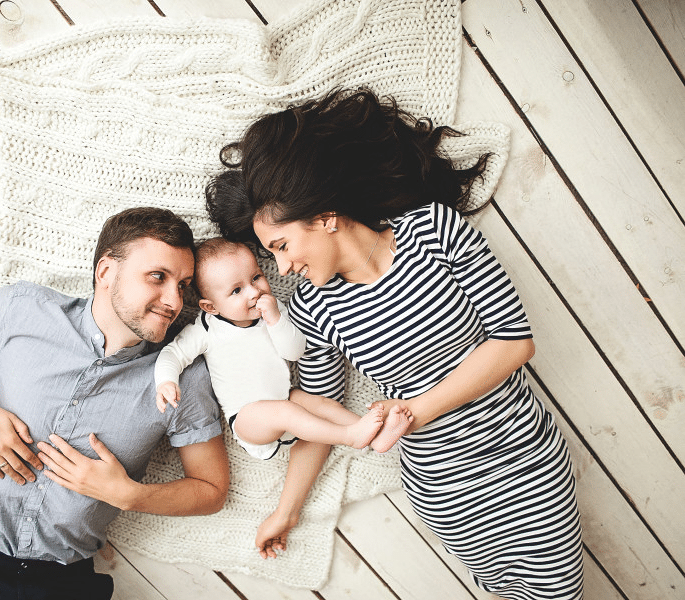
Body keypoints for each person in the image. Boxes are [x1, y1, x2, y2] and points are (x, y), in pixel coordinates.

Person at [205, 89, 584, 599]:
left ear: (323, 216)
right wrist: (286, 510)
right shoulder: (314, 312)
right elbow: (321, 409)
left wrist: (416, 411)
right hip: (441, 493)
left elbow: (513, 344)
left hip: (523, 464)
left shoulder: (435, 231)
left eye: (282, 246)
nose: (285, 267)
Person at [0, 207, 229, 600]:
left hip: (65, 585)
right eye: (158, 277)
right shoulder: (24, 311)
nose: (173, 300)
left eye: (183, 285)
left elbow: (211, 490)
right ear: (105, 272)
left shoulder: (181, 377)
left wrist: (130, 495)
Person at [154, 237, 413, 459]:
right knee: (287, 410)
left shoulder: (273, 311)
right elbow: (174, 353)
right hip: (246, 418)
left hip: (283, 397)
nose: (254, 292)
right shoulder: (207, 329)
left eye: (256, 277)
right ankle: (350, 436)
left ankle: (374, 432)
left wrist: (276, 320)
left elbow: (294, 352)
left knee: (323, 403)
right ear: (211, 307)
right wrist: (166, 380)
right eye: (236, 291)